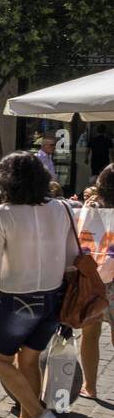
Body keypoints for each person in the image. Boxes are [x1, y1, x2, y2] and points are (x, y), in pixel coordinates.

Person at [0, 152, 76, 418]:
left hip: (17, 298)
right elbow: (72, 259)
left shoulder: (2, 214)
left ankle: (40, 415)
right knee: (28, 359)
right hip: (53, 297)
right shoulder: (62, 209)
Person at [78, 164, 114, 400]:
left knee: (90, 332)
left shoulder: (91, 204)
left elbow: (82, 234)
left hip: (94, 276)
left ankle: (89, 386)